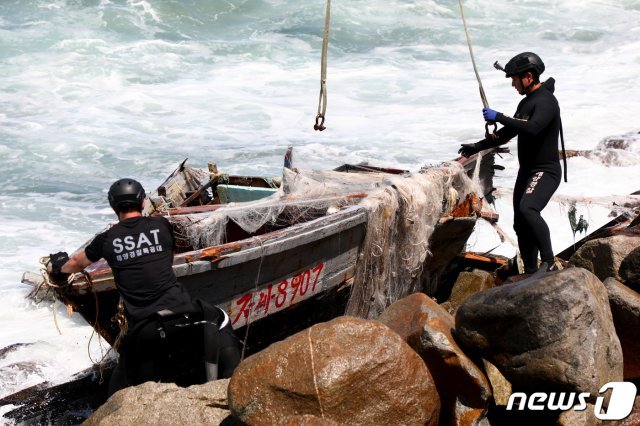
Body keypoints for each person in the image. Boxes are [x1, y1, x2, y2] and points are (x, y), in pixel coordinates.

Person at [47, 178, 240, 395]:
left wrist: (57, 264)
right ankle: (232, 384)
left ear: (114, 207)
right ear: (143, 203)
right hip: (186, 315)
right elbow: (166, 261)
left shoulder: (107, 239)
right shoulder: (161, 225)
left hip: (145, 329)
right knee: (221, 319)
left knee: (123, 388)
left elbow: (74, 265)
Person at [458, 52, 566, 274]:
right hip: (527, 172)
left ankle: (549, 261)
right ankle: (529, 271)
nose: (513, 84)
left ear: (528, 76)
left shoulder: (546, 101)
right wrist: (476, 147)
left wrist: (499, 116)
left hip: (545, 171)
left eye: (514, 79)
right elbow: (508, 133)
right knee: (520, 224)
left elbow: (533, 127)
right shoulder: (525, 103)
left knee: (529, 209)